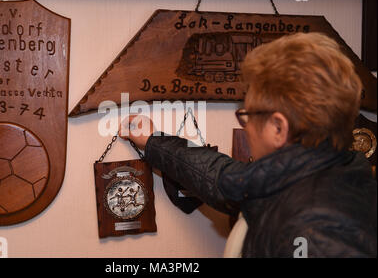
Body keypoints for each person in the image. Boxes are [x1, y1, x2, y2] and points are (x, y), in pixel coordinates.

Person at [119, 32, 377, 258]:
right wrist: (154, 141)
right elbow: (223, 177)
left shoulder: (317, 233)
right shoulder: (332, 171)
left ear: (278, 128)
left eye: (249, 115)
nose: (246, 126)